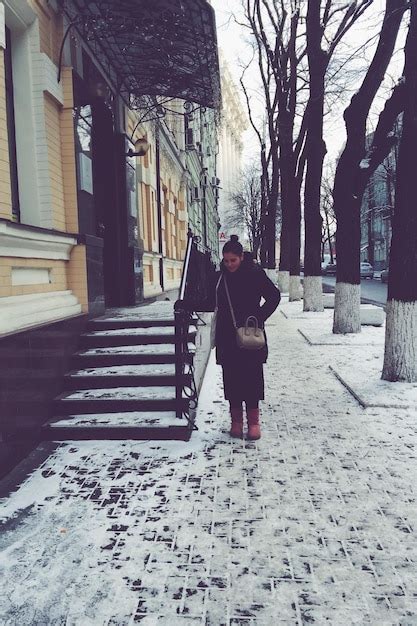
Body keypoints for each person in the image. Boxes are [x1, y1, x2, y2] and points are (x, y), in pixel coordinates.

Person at [183, 235, 281, 440]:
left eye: (233, 260)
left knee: (252, 379)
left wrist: (259, 317)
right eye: (226, 261)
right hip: (227, 336)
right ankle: (236, 423)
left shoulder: (255, 274)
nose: (229, 265)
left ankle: (254, 424)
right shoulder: (219, 277)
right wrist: (187, 305)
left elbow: (274, 296)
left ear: (241, 257)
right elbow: (210, 302)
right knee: (232, 379)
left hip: (250, 335)